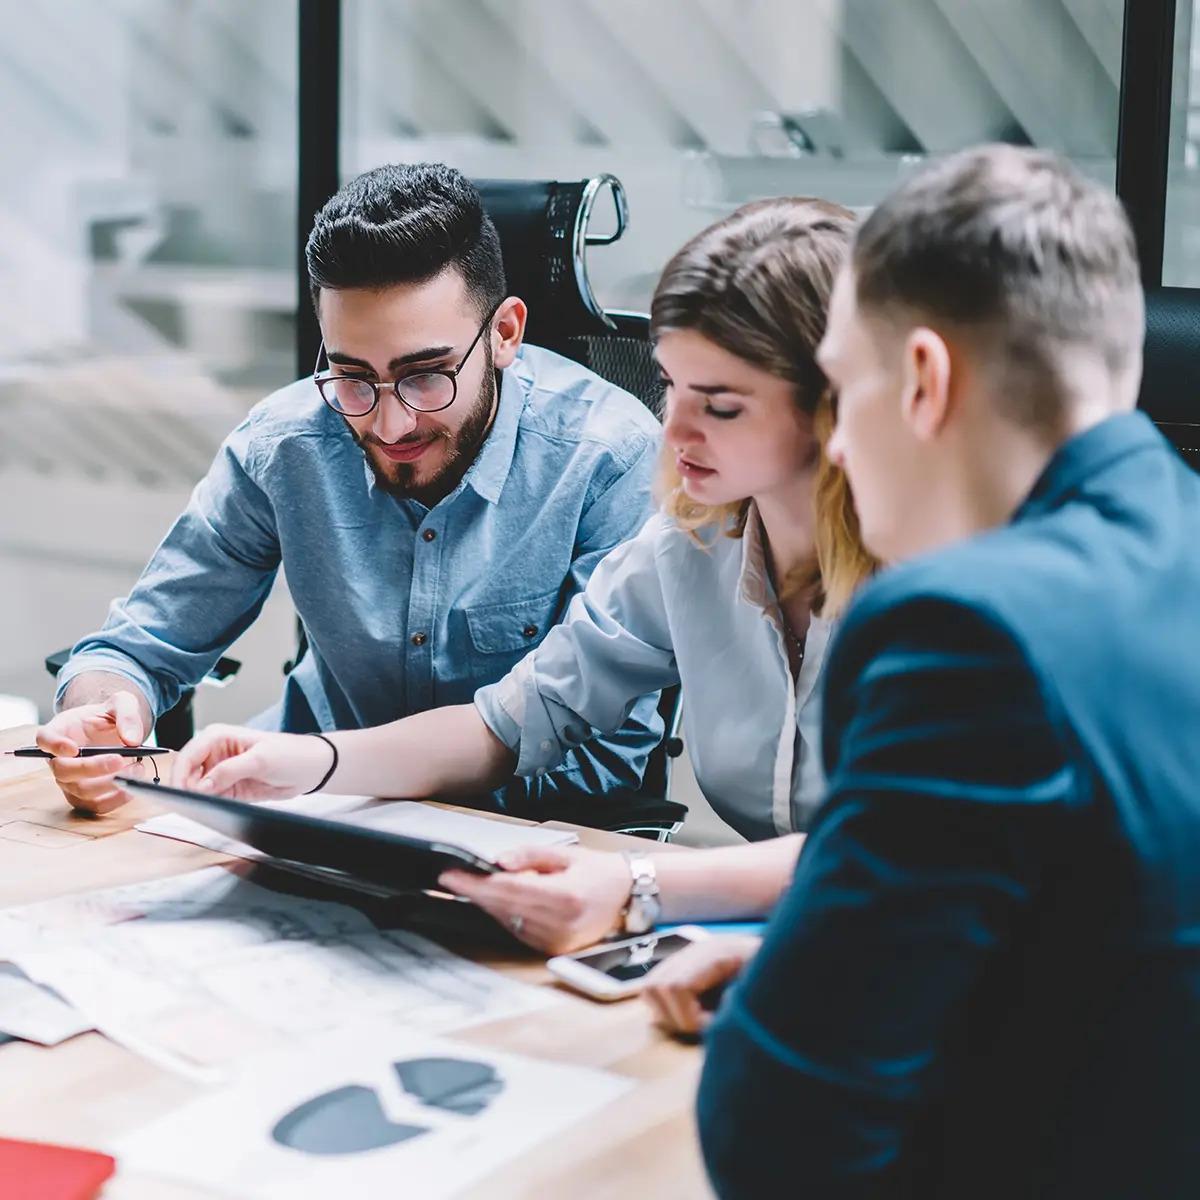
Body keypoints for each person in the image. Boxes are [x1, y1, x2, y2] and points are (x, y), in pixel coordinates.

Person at [692, 144, 1200, 1199]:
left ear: (924, 380)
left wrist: (802, 1005)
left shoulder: (962, 632)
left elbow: (778, 1132)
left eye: (840, 388)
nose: (835, 448)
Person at [172, 197, 877, 948]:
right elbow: (508, 721)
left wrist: (638, 886)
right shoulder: (690, 545)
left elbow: (912, 843)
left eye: (722, 405)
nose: (671, 430)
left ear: (834, 404)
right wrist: (302, 763)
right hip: (796, 935)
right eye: (669, 386)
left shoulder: (936, 577)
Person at [36, 163, 663, 816]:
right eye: (353, 375)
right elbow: (133, 648)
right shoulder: (285, 443)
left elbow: (605, 763)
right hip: (293, 811)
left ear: (504, 334)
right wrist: (102, 717)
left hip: (519, 843)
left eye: (426, 375)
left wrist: (345, 776)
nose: (390, 424)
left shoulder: (607, 456)